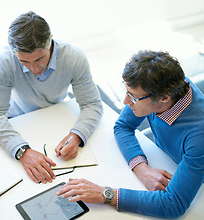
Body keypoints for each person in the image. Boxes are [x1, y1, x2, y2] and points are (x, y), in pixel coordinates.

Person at [57, 50, 204, 218]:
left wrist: (104, 194)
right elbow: (122, 126)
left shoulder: (199, 135)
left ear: (163, 97)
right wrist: (142, 169)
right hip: (171, 163)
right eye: (126, 91)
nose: (125, 102)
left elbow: (172, 205)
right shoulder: (168, 86)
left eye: (133, 97)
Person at [0, 11, 103, 184]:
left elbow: (92, 104)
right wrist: (22, 151)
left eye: (40, 59)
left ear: (51, 40)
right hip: (17, 121)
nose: (34, 69)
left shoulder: (73, 57)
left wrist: (77, 135)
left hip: (56, 117)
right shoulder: (5, 60)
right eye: (24, 62)